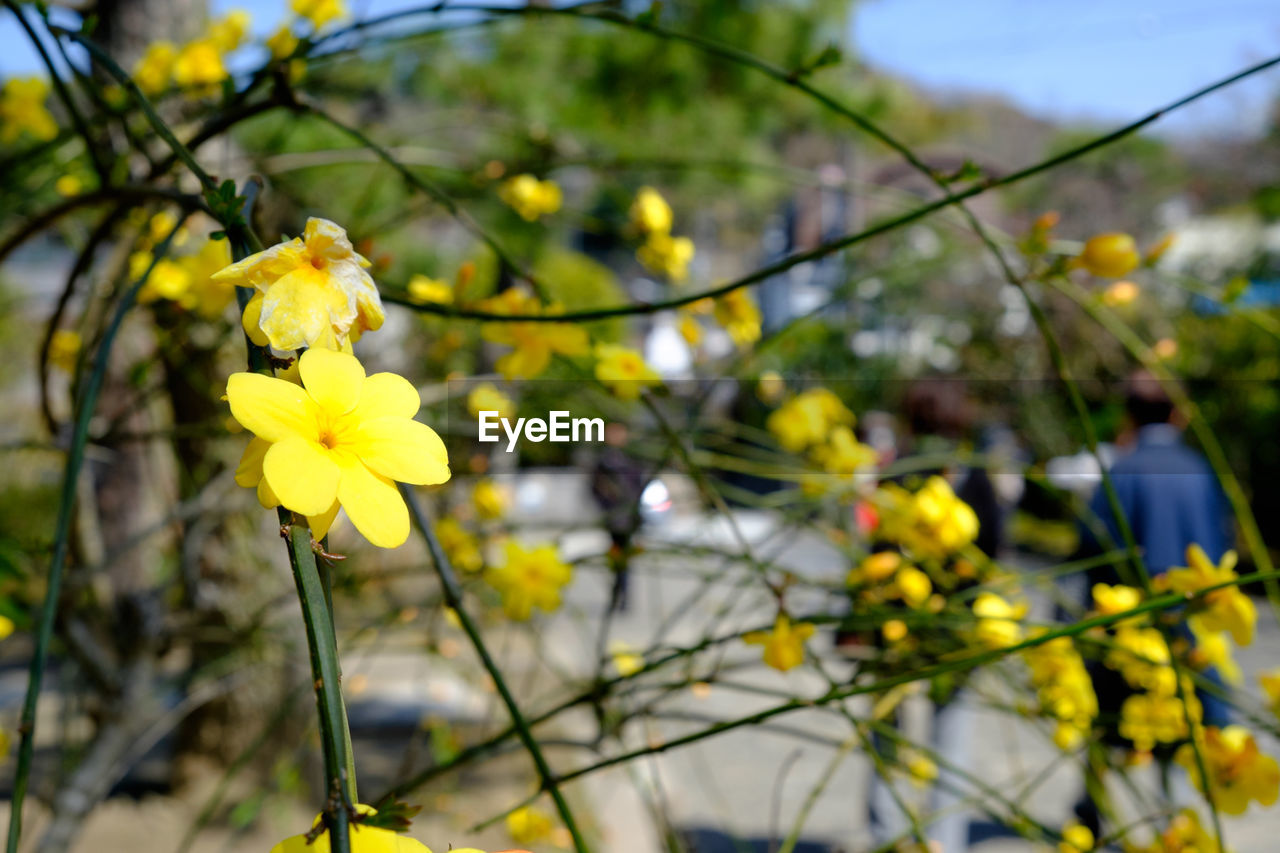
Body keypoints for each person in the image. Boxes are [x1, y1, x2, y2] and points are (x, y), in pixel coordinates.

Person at [1072, 370, 1233, 833]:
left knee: (1106, 726)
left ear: (1128, 414)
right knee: (1176, 729)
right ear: (1179, 414)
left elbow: (1091, 542)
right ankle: (1170, 826)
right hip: (1189, 625)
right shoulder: (1202, 469)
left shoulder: (1121, 468)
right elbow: (1222, 546)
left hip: (1129, 629)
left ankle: (1092, 815)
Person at [590, 422, 646, 612]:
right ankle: (619, 595)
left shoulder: (631, 460)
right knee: (617, 557)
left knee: (624, 558)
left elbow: (639, 487)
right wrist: (607, 507)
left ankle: (622, 596)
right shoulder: (603, 461)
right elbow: (595, 489)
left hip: (629, 518)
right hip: (614, 519)